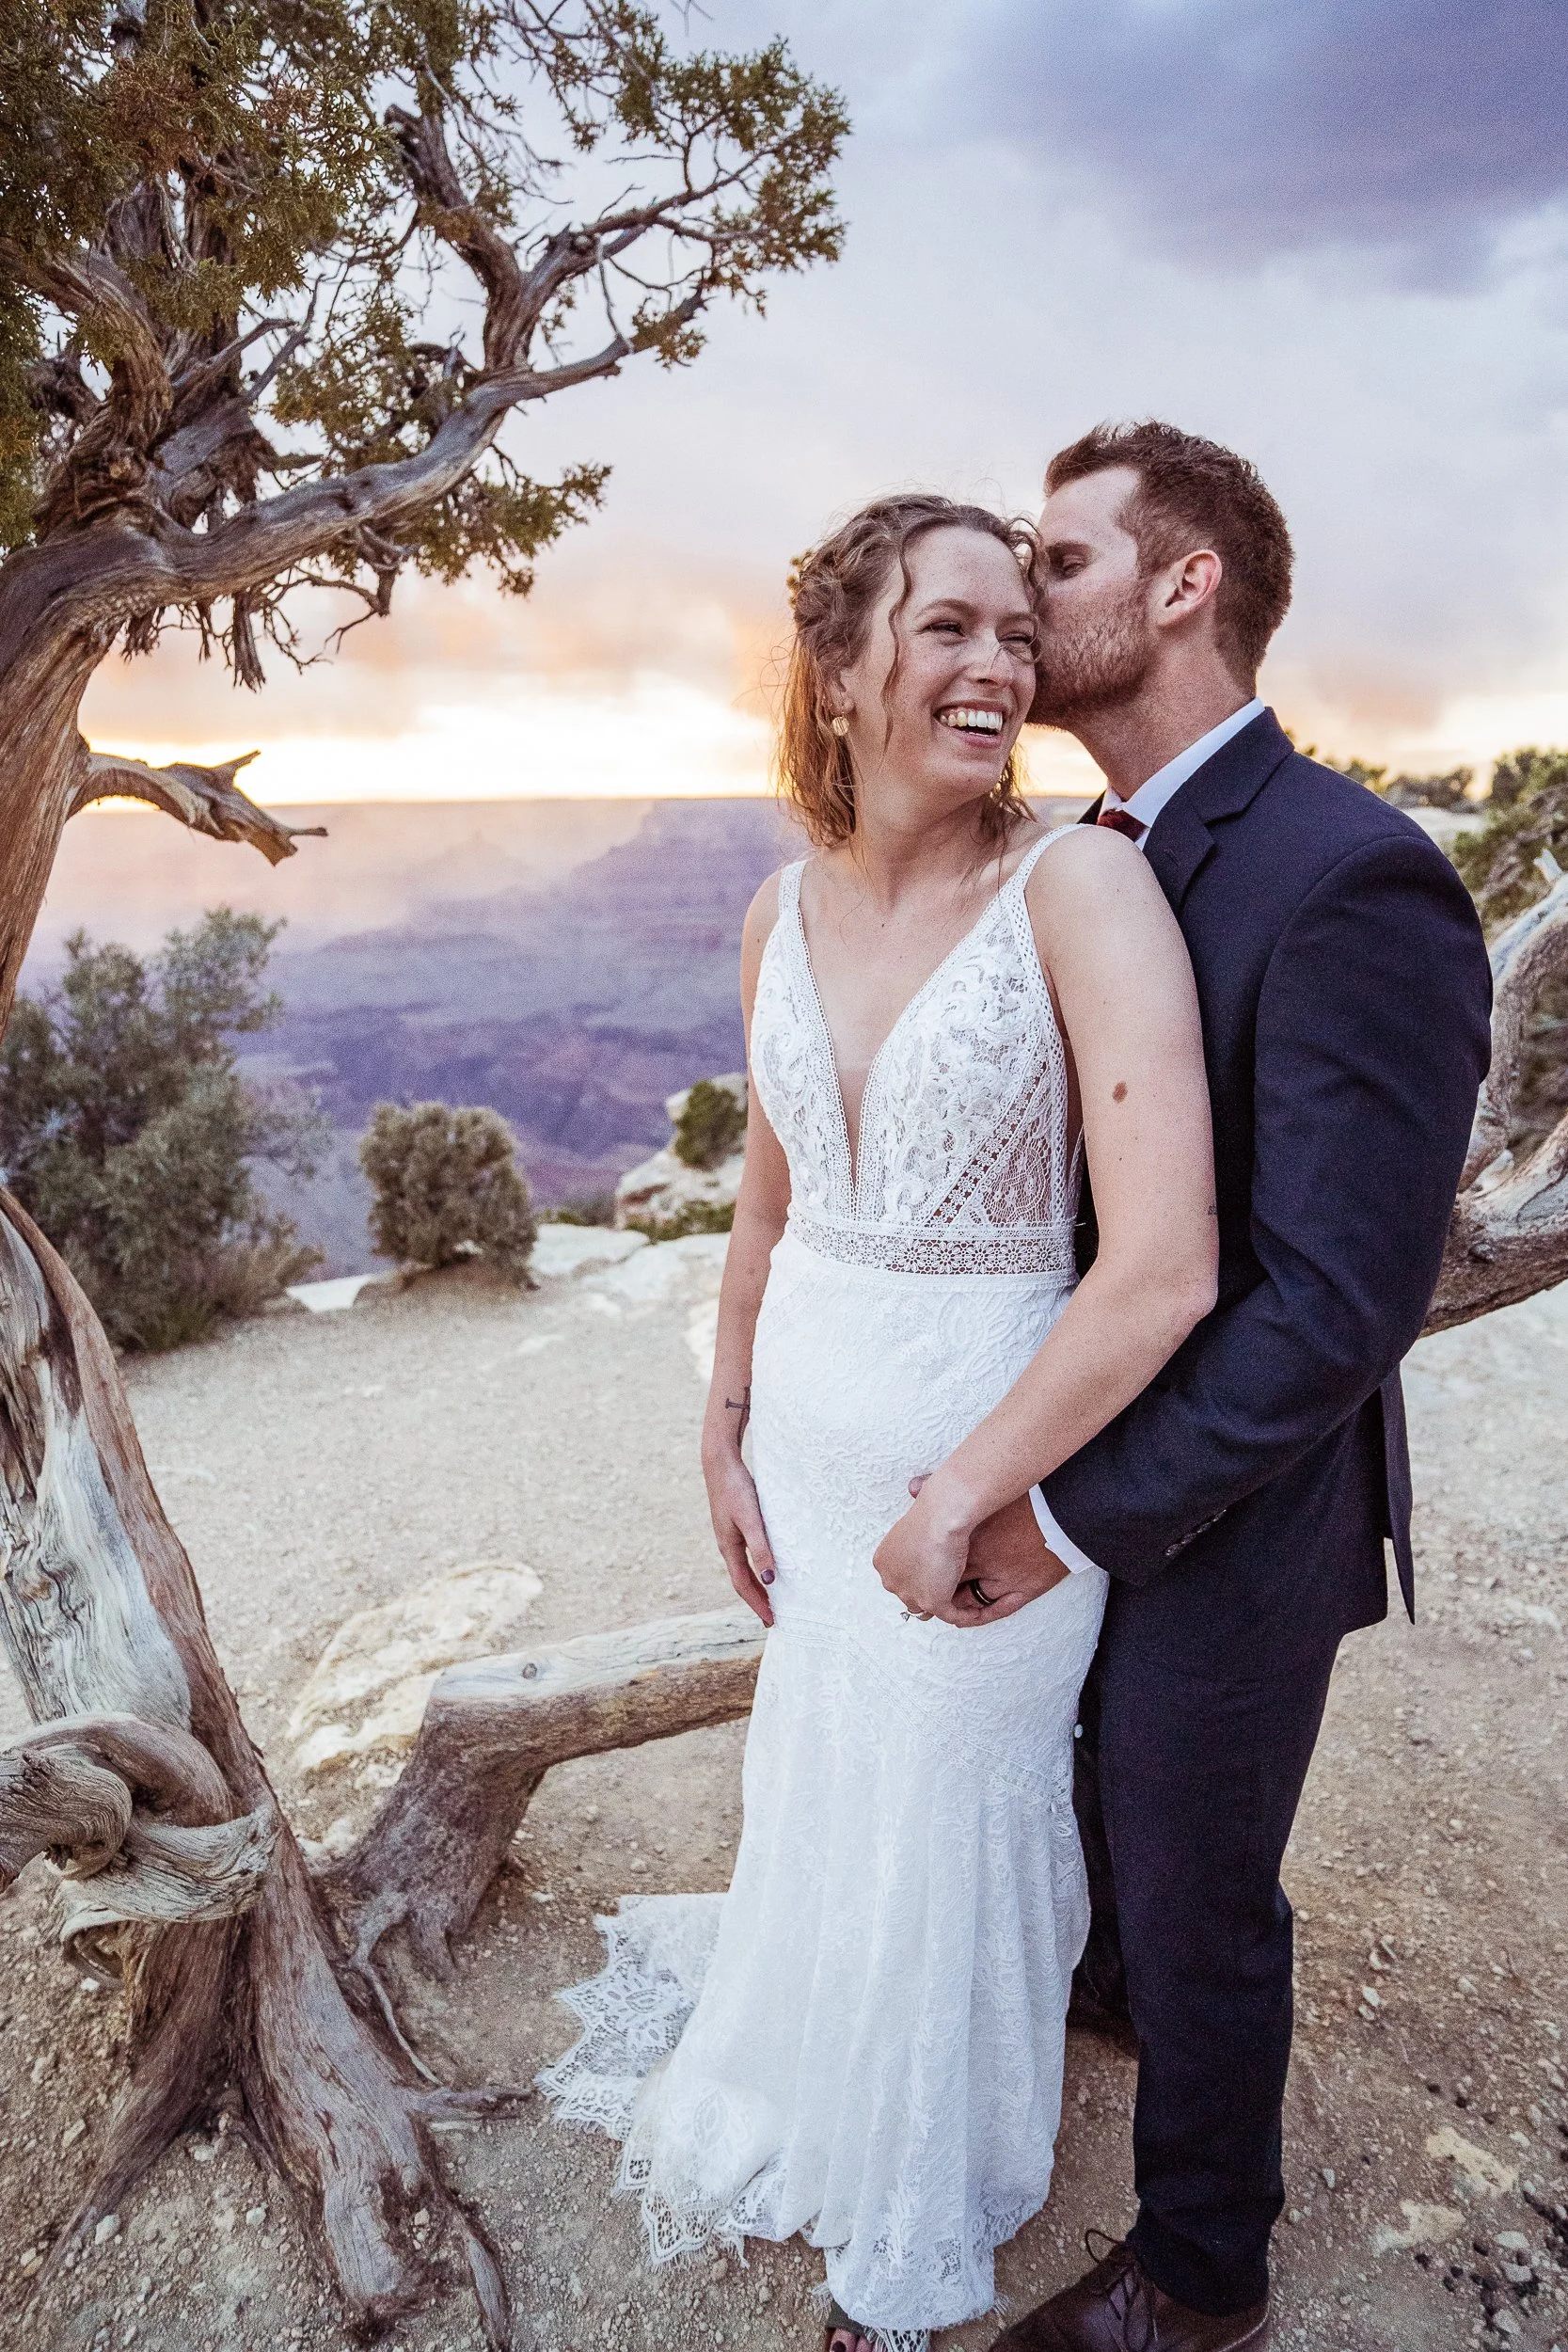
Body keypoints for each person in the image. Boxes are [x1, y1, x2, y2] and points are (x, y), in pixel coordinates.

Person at [539, 491, 1219, 2352]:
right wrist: (722, 1421)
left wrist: (966, 1497)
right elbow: (768, 1200)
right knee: (836, 1781)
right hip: (811, 1452)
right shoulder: (776, 907)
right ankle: (820, 2074)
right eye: (946, 627)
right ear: (837, 674)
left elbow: (1159, 1263)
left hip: (984, 1480)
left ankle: (911, 2227)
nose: (997, 660)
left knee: (952, 1810)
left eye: (1015, 628)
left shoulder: (1075, 883)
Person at [932, 423, 1494, 2352]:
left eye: (1059, 562)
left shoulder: (1351, 876)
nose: (1022, 599)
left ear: (1181, 587)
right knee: (1096, 1812)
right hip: (1090, 1441)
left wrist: (1071, 1505)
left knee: (1198, 1878)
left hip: (1243, 1506)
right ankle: (1103, 2002)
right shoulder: (1097, 853)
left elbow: (1336, 1303)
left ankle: (1196, 2270)